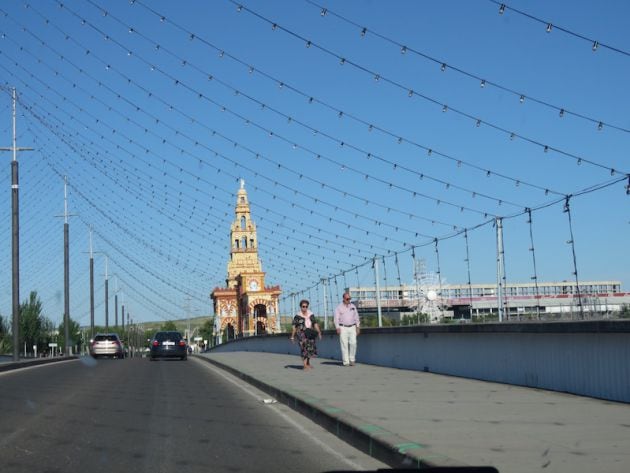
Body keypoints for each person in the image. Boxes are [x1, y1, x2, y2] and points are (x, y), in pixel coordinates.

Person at [290, 299, 322, 370]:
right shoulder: (297, 316)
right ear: (300, 307)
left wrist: (319, 332)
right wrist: (292, 337)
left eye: (306, 306)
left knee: (310, 348)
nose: (304, 308)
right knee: (304, 348)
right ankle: (304, 365)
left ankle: (308, 363)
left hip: (310, 333)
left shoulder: (311, 314)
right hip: (301, 334)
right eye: (303, 306)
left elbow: (315, 323)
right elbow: (294, 327)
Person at [334, 292, 360, 366]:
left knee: (353, 343)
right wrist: (337, 327)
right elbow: (336, 319)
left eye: (350, 299)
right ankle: (346, 361)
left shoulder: (353, 306)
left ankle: (352, 360)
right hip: (343, 327)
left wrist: (358, 327)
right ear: (344, 299)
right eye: (347, 299)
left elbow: (356, 317)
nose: (349, 300)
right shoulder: (338, 308)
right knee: (344, 345)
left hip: (352, 327)